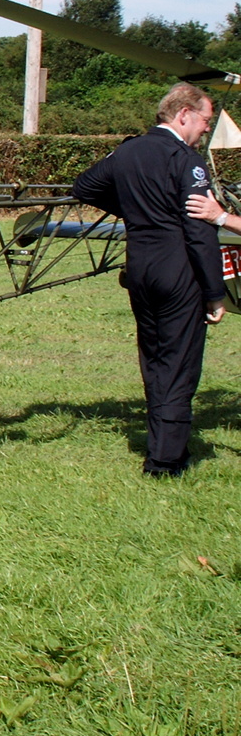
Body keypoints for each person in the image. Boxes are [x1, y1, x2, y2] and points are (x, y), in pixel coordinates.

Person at [71, 83, 226, 477]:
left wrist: (139, 209)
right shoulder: (185, 159)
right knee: (179, 364)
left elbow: (84, 185)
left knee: (155, 359)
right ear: (184, 115)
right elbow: (200, 230)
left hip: (140, 267)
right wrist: (214, 292)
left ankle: (161, 443)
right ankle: (165, 461)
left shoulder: (129, 150)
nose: (205, 130)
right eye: (206, 121)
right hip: (179, 271)